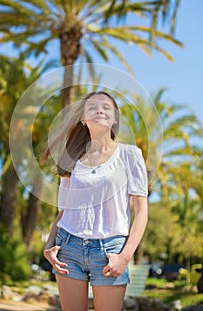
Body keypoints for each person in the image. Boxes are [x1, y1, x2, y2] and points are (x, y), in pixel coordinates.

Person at [42, 91, 148, 311]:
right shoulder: (71, 159)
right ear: (83, 119)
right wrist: (48, 246)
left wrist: (125, 257)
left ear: (114, 118)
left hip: (110, 250)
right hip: (68, 247)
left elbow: (141, 214)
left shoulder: (130, 155)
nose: (100, 110)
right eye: (92, 107)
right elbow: (63, 212)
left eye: (106, 107)